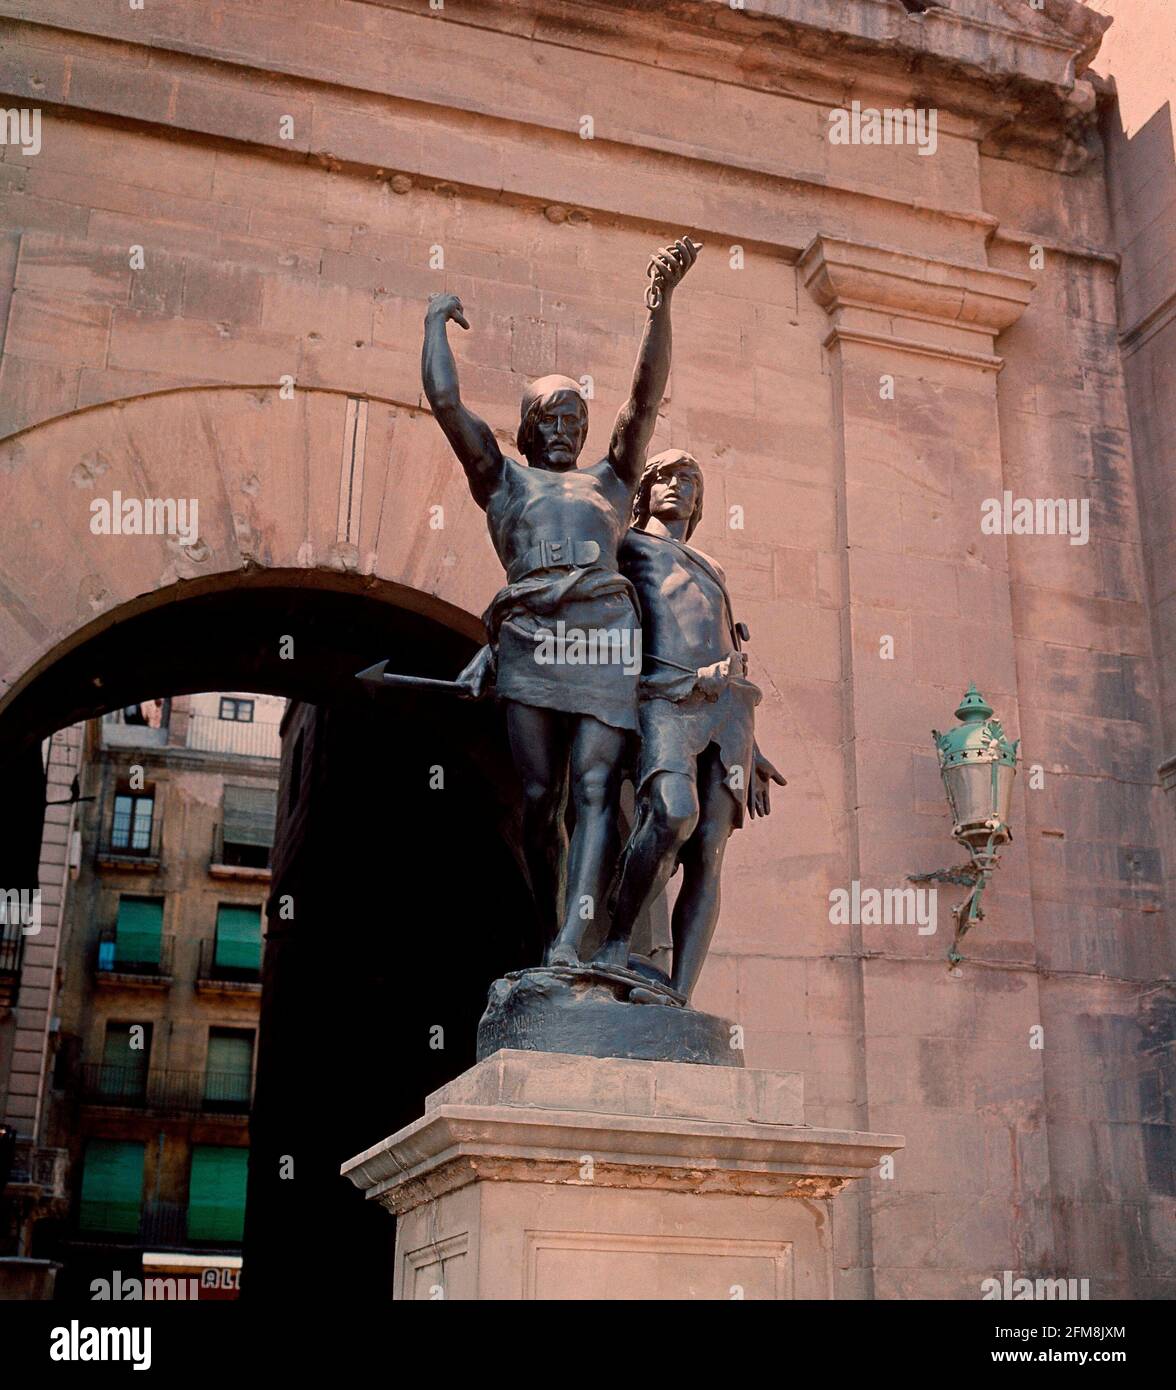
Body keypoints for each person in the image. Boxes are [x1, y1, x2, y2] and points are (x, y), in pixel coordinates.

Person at [421, 239, 700, 964]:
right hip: (533, 638)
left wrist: (659, 305)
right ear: (527, 424)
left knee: (596, 790)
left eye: (575, 414)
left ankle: (577, 938)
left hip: (605, 636)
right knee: (542, 799)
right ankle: (550, 926)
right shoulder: (503, 482)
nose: (566, 426)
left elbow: (645, 396)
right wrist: (433, 326)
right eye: (551, 414)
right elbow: (446, 403)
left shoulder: (610, 483)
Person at [593, 449, 785, 1001]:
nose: (678, 486)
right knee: (673, 813)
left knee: (709, 851)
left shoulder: (712, 566)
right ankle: (617, 942)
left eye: (690, 480)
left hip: (730, 715)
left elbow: (726, 644)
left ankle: (679, 989)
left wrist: (755, 748)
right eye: (667, 477)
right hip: (665, 695)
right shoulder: (626, 546)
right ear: (647, 488)